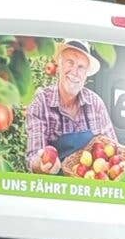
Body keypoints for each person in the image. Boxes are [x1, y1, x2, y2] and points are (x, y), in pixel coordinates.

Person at [25, 40, 118, 173]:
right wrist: (40, 165)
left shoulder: (95, 104)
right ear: (59, 65)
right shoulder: (42, 102)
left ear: (86, 75)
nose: (75, 72)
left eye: (81, 67)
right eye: (70, 62)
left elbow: (113, 149)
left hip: (88, 184)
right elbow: (33, 156)